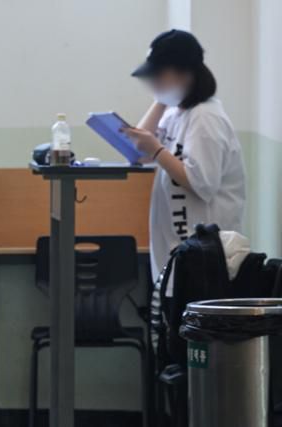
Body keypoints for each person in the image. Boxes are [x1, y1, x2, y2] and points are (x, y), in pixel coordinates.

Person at [122, 29, 246, 294]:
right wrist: (160, 102)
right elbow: (138, 152)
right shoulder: (176, 114)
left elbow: (202, 183)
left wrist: (157, 150)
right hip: (178, 255)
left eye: (159, 75)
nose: (153, 82)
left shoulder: (206, 118)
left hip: (206, 258)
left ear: (185, 73)